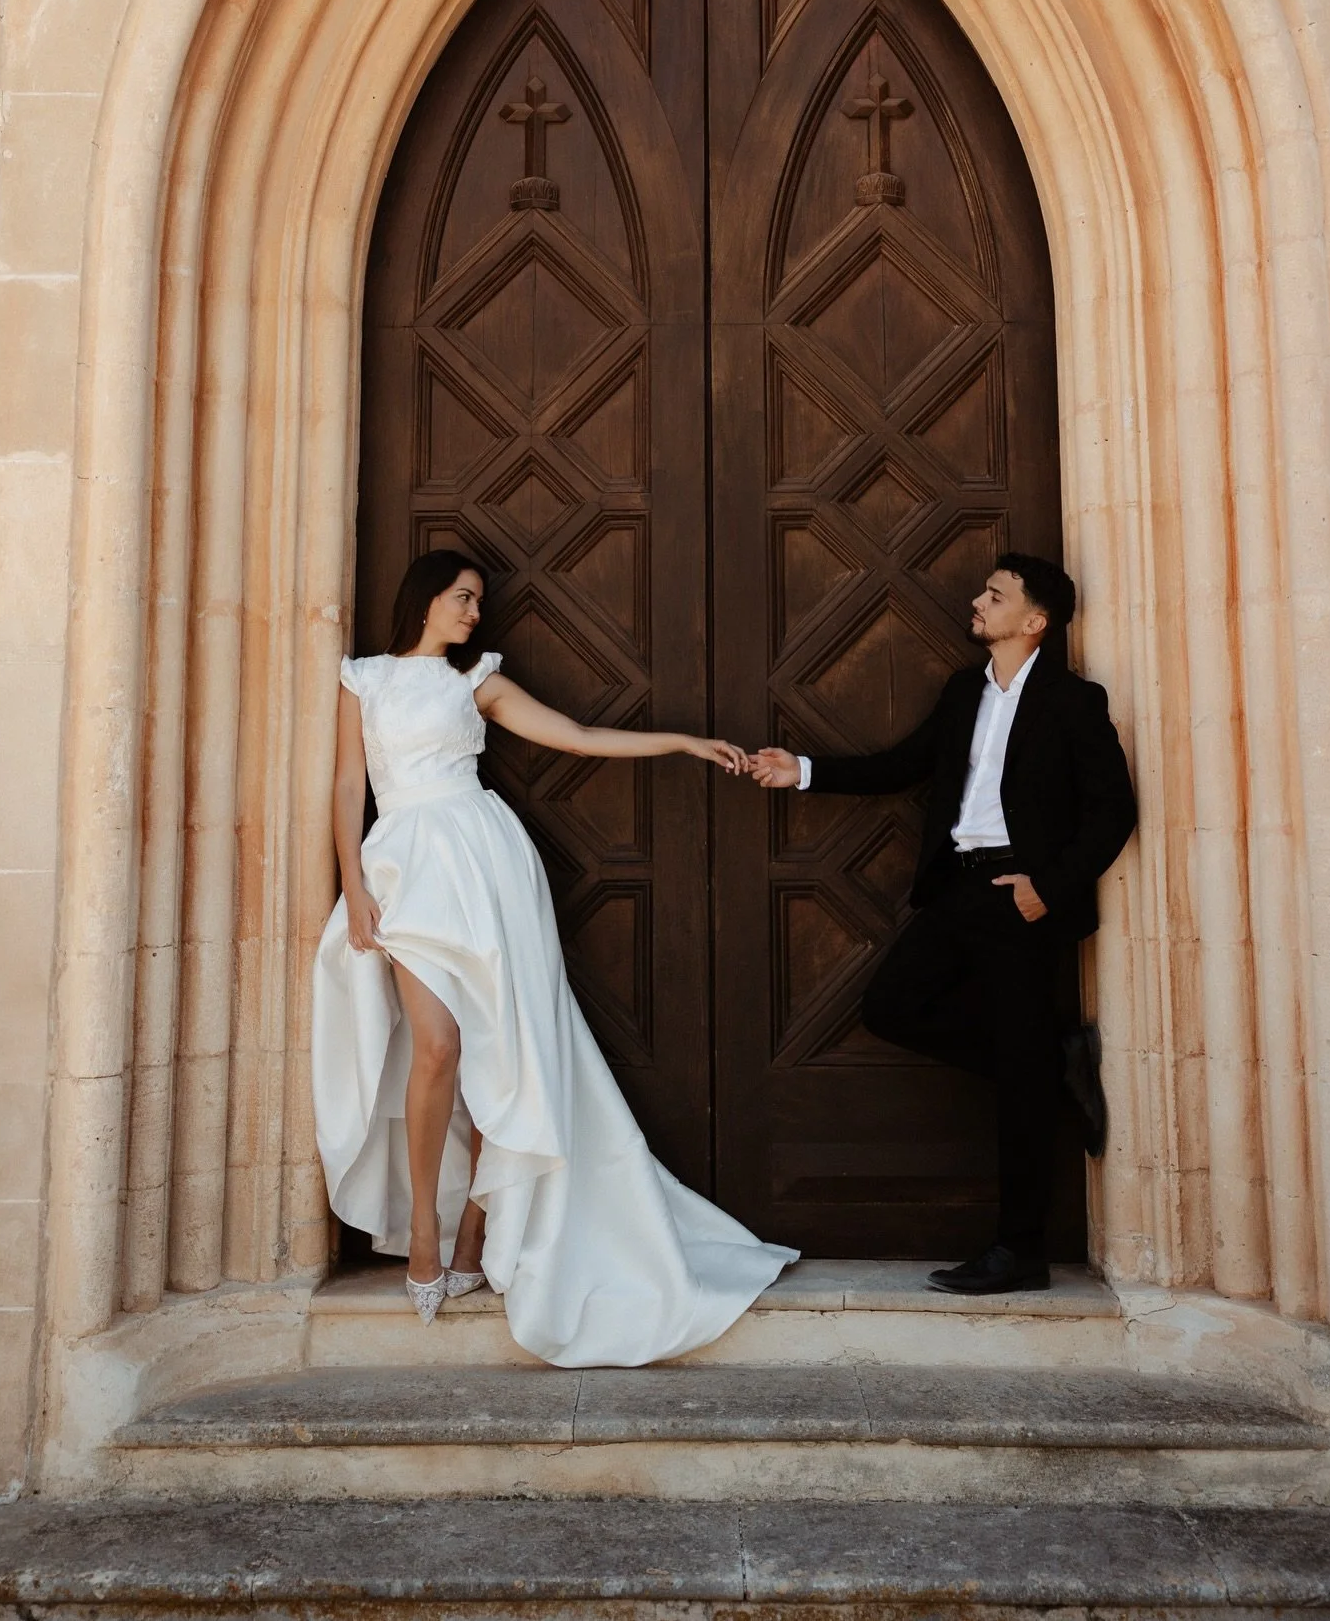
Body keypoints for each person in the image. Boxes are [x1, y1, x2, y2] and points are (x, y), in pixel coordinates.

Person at [312, 548, 797, 1364]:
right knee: (437, 1046)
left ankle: (475, 1235)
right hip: (405, 865)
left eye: (478, 602)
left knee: (504, 1052)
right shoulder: (364, 679)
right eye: (463, 598)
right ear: (426, 599)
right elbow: (343, 786)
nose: (475, 614)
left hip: (488, 864)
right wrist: (352, 885)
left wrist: (683, 740)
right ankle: (426, 1229)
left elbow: (575, 736)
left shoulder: (477, 680)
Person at [749, 554, 1136, 1295]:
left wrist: (1048, 889)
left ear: (1035, 621)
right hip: (957, 888)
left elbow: (1112, 809)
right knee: (891, 1006)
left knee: (1018, 1082)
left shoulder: (1072, 702)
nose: (977, 600)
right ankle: (1053, 1063)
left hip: (1020, 898)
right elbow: (902, 765)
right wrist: (801, 770)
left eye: (996, 595)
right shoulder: (965, 691)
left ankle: (1020, 1250)